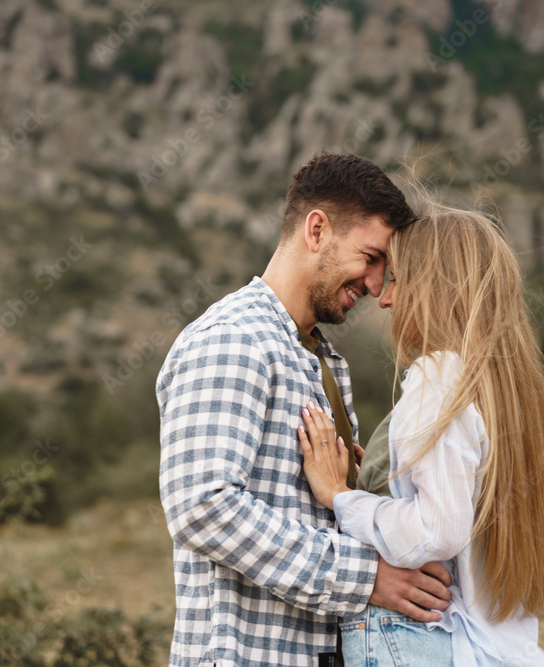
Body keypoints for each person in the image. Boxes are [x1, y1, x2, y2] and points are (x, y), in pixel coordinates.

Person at [157, 153, 455, 667]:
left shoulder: (322, 359)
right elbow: (203, 507)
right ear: (316, 229)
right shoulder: (233, 339)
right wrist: (367, 577)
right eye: (371, 256)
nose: (377, 283)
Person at [297, 201, 544, 666]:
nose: (385, 298)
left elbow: (438, 530)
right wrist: (382, 476)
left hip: (429, 645)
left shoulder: (440, 376)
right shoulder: (501, 388)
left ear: (436, 288)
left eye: (397, 278)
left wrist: (341, 498)